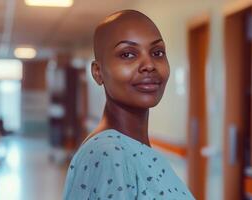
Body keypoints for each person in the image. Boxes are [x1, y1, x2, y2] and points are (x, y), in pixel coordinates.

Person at [63, 10, 195, 200]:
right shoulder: (110, 153)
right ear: (98, 72)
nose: (149, 65)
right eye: (127, 54)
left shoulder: (133, 149)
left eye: (157, 52)